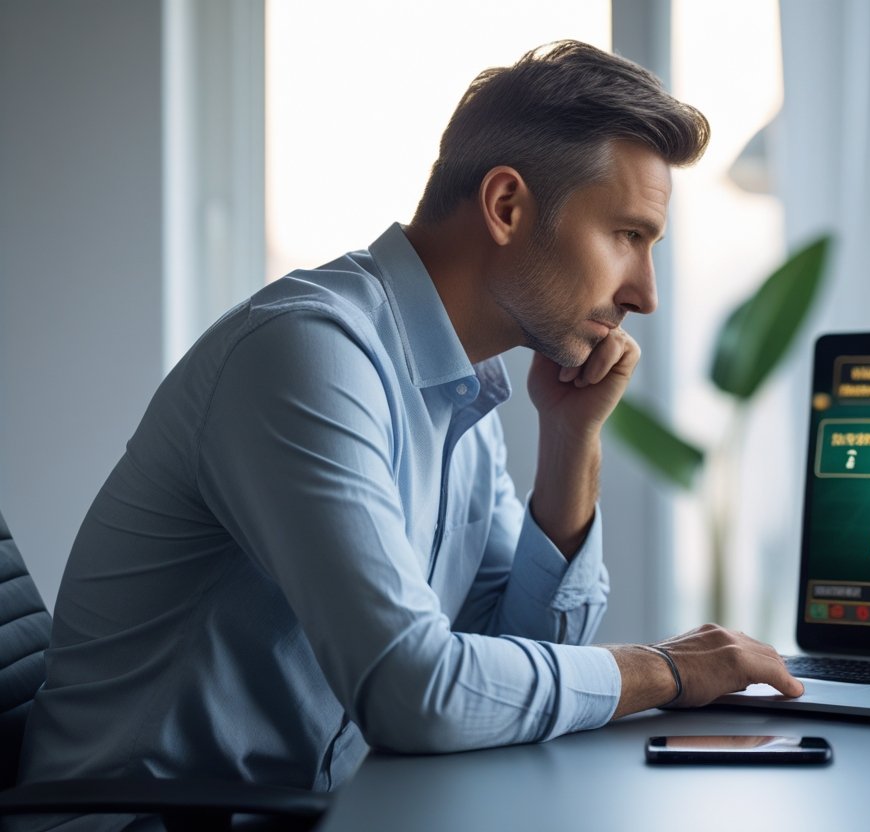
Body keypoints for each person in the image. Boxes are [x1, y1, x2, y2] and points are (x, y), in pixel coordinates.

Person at [18, 40, 803, 806]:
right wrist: (664, 670)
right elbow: (415, 692)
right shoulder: (306, 355)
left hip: (309, 809)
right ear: (505, 206)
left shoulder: (463, 390)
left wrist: (570, 440)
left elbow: (522, 664)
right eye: (627, 236)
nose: (645, 293)